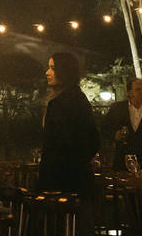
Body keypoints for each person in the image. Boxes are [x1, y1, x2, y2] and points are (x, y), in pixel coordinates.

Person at [39, 52, 100, 196]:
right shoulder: (78, 98)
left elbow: (57, 143)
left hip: (60, 182)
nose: (47, 72)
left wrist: (65, 165)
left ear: (64, 70)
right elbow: (94, 141)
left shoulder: (61, 103)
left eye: (52, 68)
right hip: (77, 180)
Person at [100, 76, 142, 171]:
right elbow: (104, 128)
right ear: (129, 92)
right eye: (138, 89)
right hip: (123, 162)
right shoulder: (117, 108)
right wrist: (115, 135)